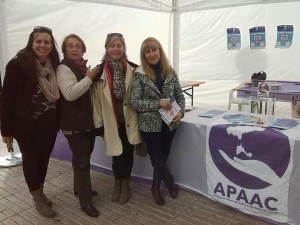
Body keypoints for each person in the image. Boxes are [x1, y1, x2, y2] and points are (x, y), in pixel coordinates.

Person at [0, 26, 60, 217]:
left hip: (49, 123)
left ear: (51, 45)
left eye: (46, 42)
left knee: (44, 157)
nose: (42, 45)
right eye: (38, 41)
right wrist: (6, 131)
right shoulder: (18, 64)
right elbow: (6, 99)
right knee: (32, 160)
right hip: (26, 125)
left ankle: (39, 190)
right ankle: (36, 196)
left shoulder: (55, 63)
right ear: (31, 43)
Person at [130, 37, 185, 206]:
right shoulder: (139, 74)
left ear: (160, 51)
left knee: (163, 157)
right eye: (148, 51)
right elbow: (135, 102)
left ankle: (156, 187)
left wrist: (181, 112)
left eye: (154, 50)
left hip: (170, 123)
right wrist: (157, 103)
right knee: (157, 160)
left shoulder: (169, 71)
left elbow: (180, 96)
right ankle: (168, 182)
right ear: (144, 55)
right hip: (150, 126)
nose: (152, 54)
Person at [92, 33, 141, 204]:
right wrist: (99, 125)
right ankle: (117, 184)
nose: (115, 49)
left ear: (124, 48)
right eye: (112, 45)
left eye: (119, 45)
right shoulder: (98, 73)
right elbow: (96, 101)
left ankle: (125, 185)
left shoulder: (135, 69)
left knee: (127, 154)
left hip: (129, 121)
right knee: (116, 154)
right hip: (111, 122)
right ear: (106, 48)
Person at [56, 34, 101, 217]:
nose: (74, 49)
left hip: (86, 122)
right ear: (65, 50)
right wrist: (89, 77)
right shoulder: (63, 68)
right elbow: (70, 94)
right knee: (82, 162)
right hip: (74, 124)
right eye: (70, 46)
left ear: (83, 48)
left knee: (81, 158)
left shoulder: (81, 66)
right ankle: (86, 201)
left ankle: (79, 189)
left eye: (78, 46)